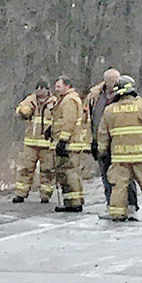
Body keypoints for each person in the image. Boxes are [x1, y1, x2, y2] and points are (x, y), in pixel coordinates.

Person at [100, 76, 142, 222]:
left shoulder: (109, 110)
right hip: (141, 156)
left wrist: (102, 151)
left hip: (120, 157)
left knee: (119, 187)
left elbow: (102, 134)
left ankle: (118, 214)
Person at [49, 76, 90, 211]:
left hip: (69, 144)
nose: (56, 89)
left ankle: (74, 202)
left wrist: (62, 140)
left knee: (69, 173)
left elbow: (69, 121)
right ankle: (70, 201)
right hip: (68, 142)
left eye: (59, 86)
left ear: (67, 86)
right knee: (65, 173)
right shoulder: (64, 99)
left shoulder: (69, 100)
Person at [12, 80, 56, 201]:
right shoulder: (30, 100)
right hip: (30, 142)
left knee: (47, 170)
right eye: (38, 88)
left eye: (43, 88)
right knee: (25, 168)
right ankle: (20, 194)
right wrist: (23, 112)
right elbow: (20, 110)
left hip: (47, 143)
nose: (40, 90)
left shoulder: (55, 102)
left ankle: (45, 195)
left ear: (48, 90)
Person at [87, 67, 123, 209]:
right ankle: (111, 203)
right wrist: (93, 141)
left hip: (120, 142)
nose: (114, 83)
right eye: (111, 80)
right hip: (102, 141)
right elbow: (91, 119)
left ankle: (128, 204)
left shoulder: (125, 94)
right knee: (106, 174)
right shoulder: (96, 96)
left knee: (124, 176)